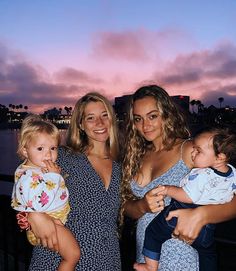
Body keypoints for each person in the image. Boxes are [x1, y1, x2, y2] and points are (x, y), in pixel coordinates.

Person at [120, 84, 236, 271]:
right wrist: (142, 205)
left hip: (183, 260)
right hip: (147, 258)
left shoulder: (190, 150)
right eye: (138, 119)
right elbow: (126, 207)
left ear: (166, 114)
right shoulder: (136, 155)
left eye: (152, 116)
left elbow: (231, 196)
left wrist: (202, 215)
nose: (145, 125)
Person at [18, 93, 121, 270]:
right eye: (91, 118)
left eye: (105, 115)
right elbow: (27, 178)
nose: (100, 123)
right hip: (58, 256)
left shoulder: (121, 166)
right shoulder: (64, 157)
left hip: (106, 258)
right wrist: (32, 216)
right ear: (81, 124)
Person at [134, 128, 236, 271]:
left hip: (179, 216)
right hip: (207, 229)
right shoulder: (232, 172)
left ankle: (150, 266)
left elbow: (187, 196)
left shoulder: (203, 174)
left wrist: (168, 189)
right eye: (194, 149)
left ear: (220, 157)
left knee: (153, 233)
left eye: (198, 151)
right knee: (208, 253)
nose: (193, 153)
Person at [11, 114, 81, 271]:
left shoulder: (36, 168)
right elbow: (38, 203)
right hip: (47, 222)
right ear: (25, 150)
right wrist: (54, 177)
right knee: (73, 255)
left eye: (53, 148)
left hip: (54, 220)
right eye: (40, 148)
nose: (48, 154)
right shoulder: (28, 176)